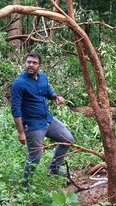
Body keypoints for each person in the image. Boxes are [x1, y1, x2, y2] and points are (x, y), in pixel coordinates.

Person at [10, 53, 74, 185]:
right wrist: (21, 132)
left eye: (34, 63)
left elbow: (47, 90)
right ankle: (25, 185)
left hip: (47, 118)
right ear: (25, 63)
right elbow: (15, 109)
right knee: (35, 155)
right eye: (28, 62)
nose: (31, 65)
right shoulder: (19, 83)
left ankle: (53, 169)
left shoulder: (42, 77)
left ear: (39, 65)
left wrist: (55, 96)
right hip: (33, 124)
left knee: (67, 139)